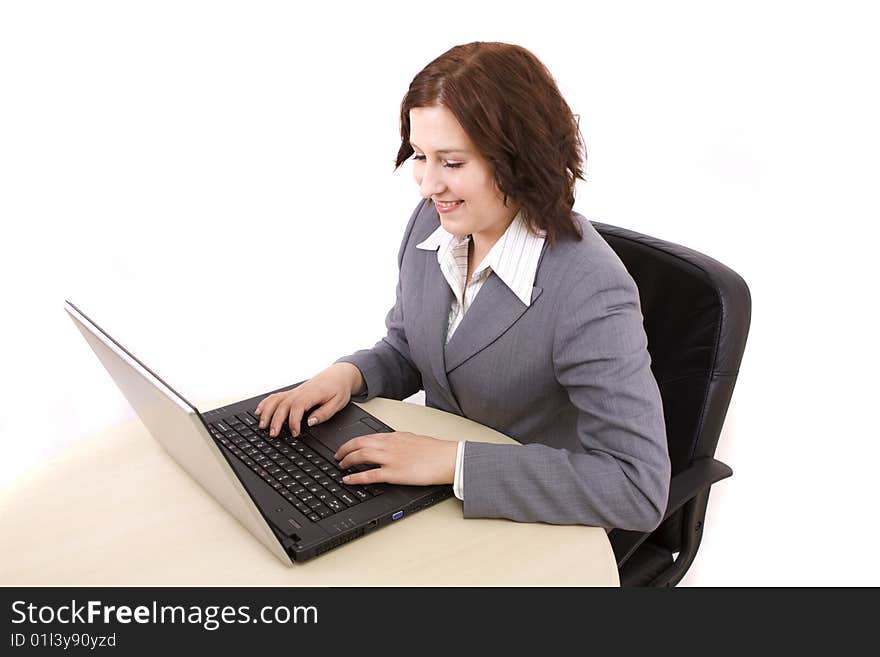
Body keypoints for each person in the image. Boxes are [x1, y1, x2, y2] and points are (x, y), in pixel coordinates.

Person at [255, 42, 671, 532]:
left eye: (452, 163)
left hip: (532, 521)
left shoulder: (589, 288)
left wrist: (453, 463)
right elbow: (414, 347)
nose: (428, 185)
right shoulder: (434, 225)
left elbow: (637, 487)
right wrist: (346, 376)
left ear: (522, 159)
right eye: (419, 156)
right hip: (435, 504)